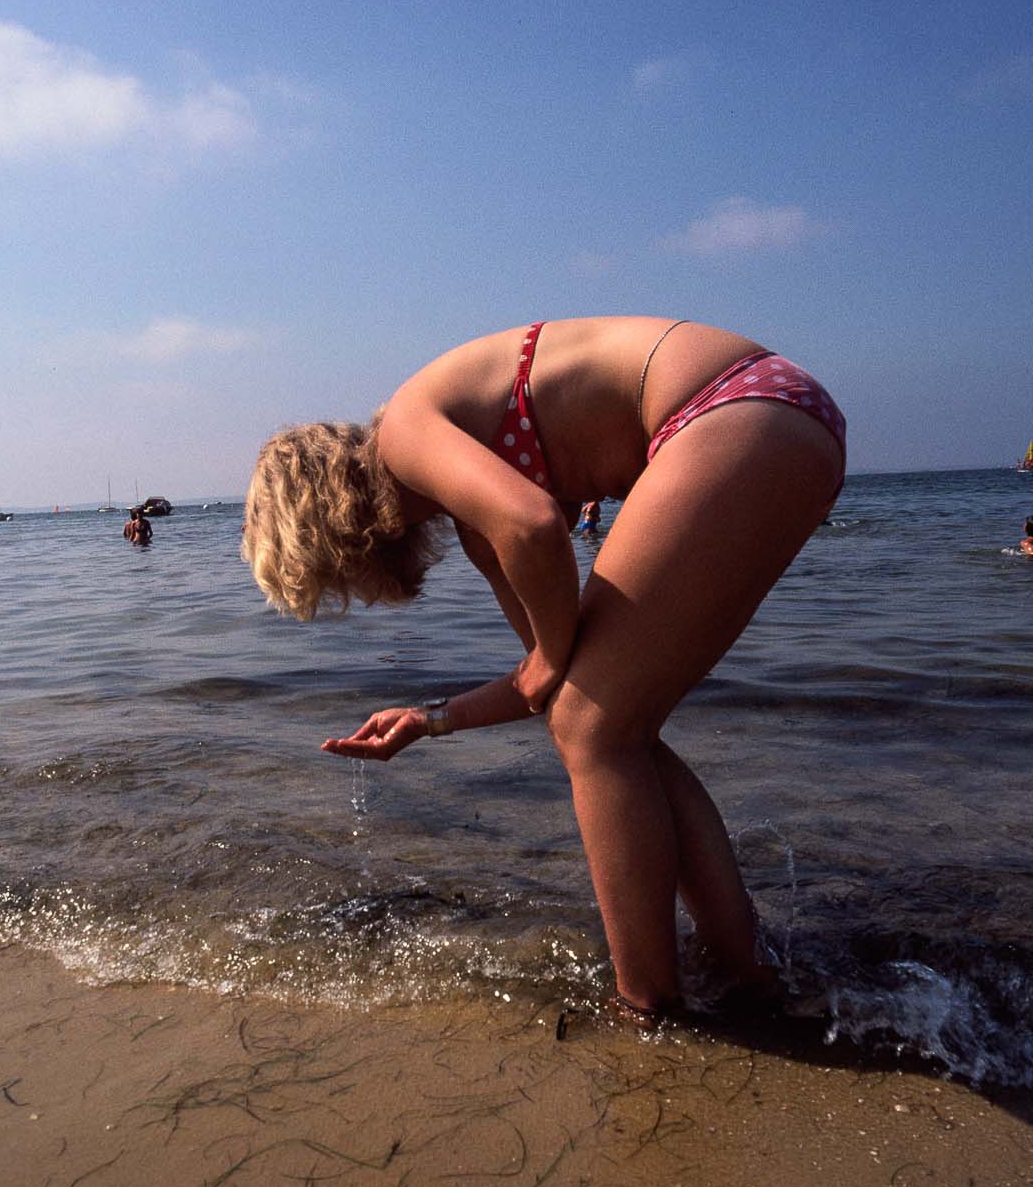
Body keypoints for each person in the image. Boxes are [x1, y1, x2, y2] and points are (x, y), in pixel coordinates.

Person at [242, 317, 846, 1025]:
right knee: (613, 727)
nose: (355, 588)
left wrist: (556, 657)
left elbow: (533, 529)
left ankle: (647, 1006)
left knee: (596, 730)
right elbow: (550, 685)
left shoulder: (405, 432)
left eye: (333, 578)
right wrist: (431, 719)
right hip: (775, 418)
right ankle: (747, 974)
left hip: (732, 409)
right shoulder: (473, 513)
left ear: (330, 526)